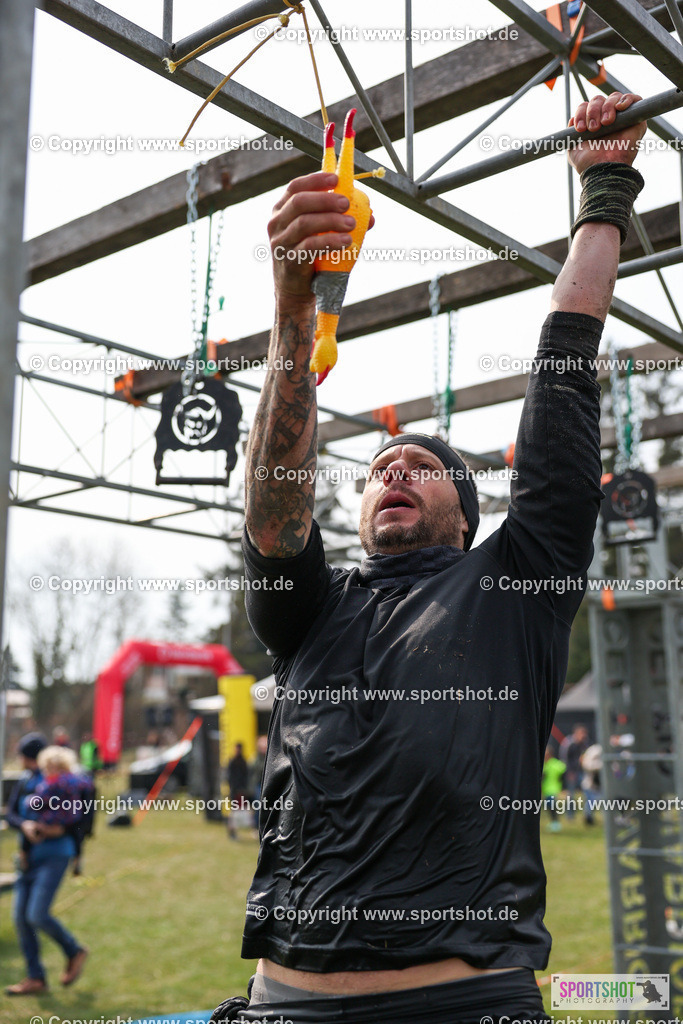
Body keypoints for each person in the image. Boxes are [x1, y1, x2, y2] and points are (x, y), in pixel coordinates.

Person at [210, 93, 647, 1024]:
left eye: (424, 467)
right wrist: (294, 308)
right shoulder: (310, 613)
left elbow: (563, 361)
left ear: (465, 514)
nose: (395, 468)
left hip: (459, 1003)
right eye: (375, 469)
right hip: (280, 1001)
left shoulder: (513, 585)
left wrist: (603, 188)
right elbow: (276, 505)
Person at [5, 736, 88, 995]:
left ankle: (74, 951)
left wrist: (59, 833)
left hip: (54, 854)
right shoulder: (25, 781)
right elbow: (12, 814)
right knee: (21, 919)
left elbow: (77, 820)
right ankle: (36, 977)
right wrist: (26, 827)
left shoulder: (65, 784)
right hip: (28, 855)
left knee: (37, 914)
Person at [560, 723, 589, 819]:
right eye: (581, 734)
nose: (583, 736)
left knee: (587, 792)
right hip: (571, 772)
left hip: (581, 771)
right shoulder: (569, 743)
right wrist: (569, 771)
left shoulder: (584, 744)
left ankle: (587, 815)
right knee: (571, 795)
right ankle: (570, 815)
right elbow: (565, 758)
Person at [226, 742, 250, 840]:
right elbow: (229, 777)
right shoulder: (232, 762)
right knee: (233, 812)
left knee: (238, 812)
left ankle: (234, 830)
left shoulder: (243, 761)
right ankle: (231, 831)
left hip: (241, 791)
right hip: (235, 791)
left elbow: (245, 777)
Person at [541, 746, 566, 833]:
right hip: (546, 790)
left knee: (552, 808)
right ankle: (554, 823)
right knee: (549, 808)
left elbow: (563, 775)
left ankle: (556, 824)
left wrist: (563, 788)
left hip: (554, 790)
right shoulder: (544, 764)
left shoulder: (556, 764)